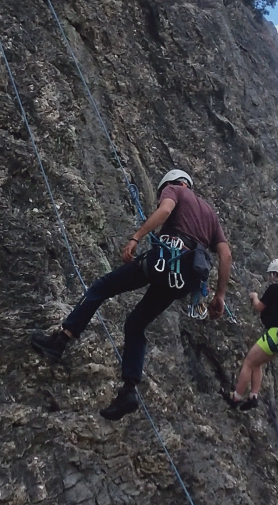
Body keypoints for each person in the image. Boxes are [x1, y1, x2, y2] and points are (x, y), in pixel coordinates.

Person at [29, 168, 232, 420]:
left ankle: (60, 341)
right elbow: (225, 255)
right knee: (136, 325)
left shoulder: (175, 190)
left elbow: (166, 210)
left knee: (101, 288)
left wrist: (136, 237)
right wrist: (219, 295)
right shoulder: (210, 215)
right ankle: (128, 391)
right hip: (185, 278)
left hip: (165, 260)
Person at [225, 258, 278, 410]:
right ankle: (253, 396)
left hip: (274, 333)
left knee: (248, 362)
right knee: (257, 363)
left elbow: (259, 307)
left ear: (275, 274)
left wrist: (254, 297)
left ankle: (236, 397)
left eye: (271, 274)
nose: (269, 277)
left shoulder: (274, 289)